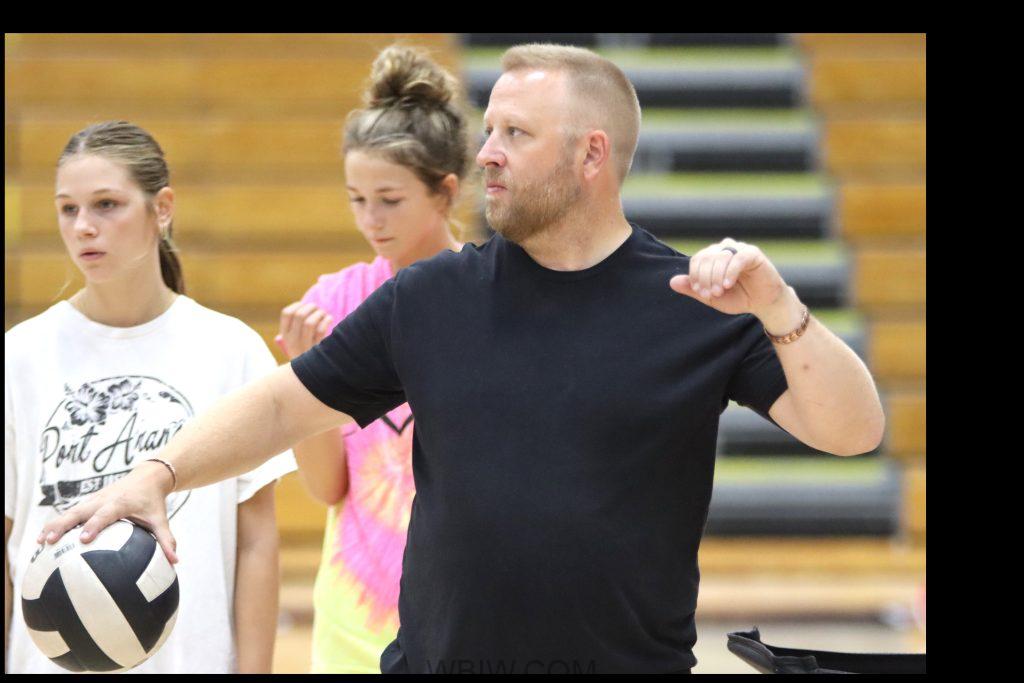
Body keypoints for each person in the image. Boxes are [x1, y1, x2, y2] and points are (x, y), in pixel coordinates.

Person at [38, 45, 886, 675]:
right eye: (489, 131)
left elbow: (852, 430)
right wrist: (157, 472)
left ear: (591, 155)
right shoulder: (432, 297)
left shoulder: (696, 301)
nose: (486, 155)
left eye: (516, 133)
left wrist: (780, 308)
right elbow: (282, 405)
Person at [5, 121, 296, 673]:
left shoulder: (230, 349)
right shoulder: (19, 356)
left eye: (106, 204)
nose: (83, 226)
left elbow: (255, 542)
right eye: (68, 209)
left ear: (162, 209)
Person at [274, 46, 469, 673]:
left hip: (469, 614)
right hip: (354, 622)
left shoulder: (494, 296)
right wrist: (310, 382)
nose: (371, 220)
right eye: (357, 199)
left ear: (445, 192)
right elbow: (326, 487)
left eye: (389, 199)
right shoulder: (332, 302)